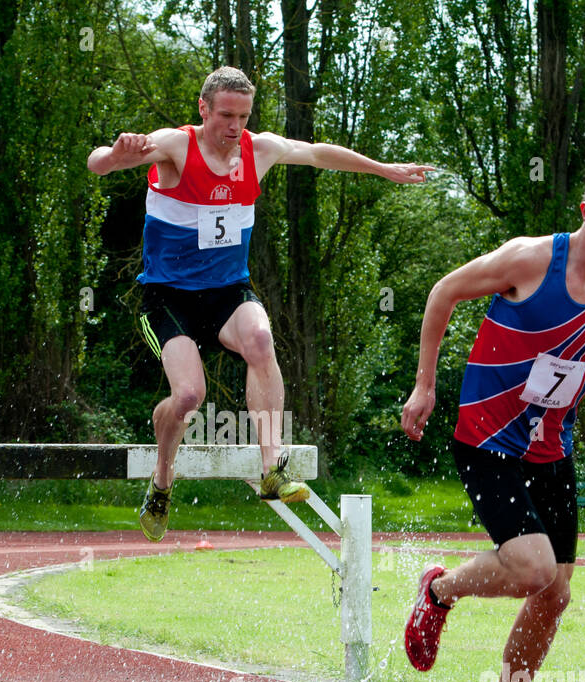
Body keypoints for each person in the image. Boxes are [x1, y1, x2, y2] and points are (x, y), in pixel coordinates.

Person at [88, 66, 434, 541]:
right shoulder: (176, 145)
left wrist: (385, 169)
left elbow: (316, 154)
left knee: (261, 338)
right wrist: (115, 154)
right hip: (169, 299)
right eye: (225, 115)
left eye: (243, 116)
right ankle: (163, 481)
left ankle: (272, 468)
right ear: (203, 108)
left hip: (229, 293)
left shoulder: (259, 149)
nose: (234, 126)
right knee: (189, 396)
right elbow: (97, 164)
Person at [400, 159, 585, 682]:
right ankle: (439, 592)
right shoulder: (529, 259)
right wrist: (425, 385)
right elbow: (444, 291)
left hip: (550, 450)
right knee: (534, 569)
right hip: (487, 437)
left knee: (556, 593)